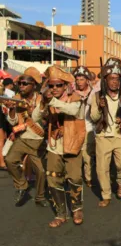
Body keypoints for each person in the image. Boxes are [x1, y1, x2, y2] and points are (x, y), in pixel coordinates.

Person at [34, 66, 86, 227]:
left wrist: (53, 101)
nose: (54, 88)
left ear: (65, 86)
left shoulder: (75, 97)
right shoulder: (47, 100)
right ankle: (60, 214)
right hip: (54, 145)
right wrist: (43, 103)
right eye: (51, 86)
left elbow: (73, 111)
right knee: (53, 179)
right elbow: (35, 117)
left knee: (75, 177)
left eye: (58, 85)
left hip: (73, 144)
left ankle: (77, 208)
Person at [4, 67, 49, 207]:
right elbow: (12, 122)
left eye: (25, 83)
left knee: (41, 171)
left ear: (34, 85)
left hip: (38, 139)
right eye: (20, 83)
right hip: (23, 138)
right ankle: (22, 185)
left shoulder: (42, 99)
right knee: (10, 160)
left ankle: (40, 197)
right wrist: (11, 109)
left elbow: (47, 120)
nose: (21, 86)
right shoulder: (17, 99)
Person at [90, 64, 121, 207]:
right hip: (103, 137)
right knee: (102, 169)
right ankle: (106, 195)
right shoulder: (97, 96)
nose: (114, 82)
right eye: (111, 79)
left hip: (120, 136)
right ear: (105, 81)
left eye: (117, 79)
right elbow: (94, 117)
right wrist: (99, 107)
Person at [72, 66, 96, 187]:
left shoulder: (93, 93)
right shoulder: (71, 93)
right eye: (77, 79)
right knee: (75, 155)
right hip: (74, 129)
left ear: (87, 80)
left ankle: (88, 178)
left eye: (82, 79)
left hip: (88, 128)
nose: (79, 82)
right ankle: (75, 177)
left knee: (87, 156)